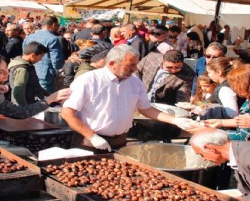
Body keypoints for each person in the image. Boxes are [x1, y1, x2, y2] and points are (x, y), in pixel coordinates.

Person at [60, 45, 200, 152]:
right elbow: (67, 113)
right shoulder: (88, 80)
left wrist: (175, 120)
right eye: (130, 65)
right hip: (88, 141)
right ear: (112, 64)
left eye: (135, 64)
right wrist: (92, 136)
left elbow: (146, 109)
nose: (135, 68)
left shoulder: (134, 82)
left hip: (119, 140)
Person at [23, 16, 65, 93]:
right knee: (48, 98)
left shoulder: (29, 37)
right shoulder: (52, 38)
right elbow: (56, 60)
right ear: (54, 25)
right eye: (57, 25)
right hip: (45, 74)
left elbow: (24, 54)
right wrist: (58, 70)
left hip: (30, 71)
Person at [8, 41, 50, 106]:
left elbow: (35, 85)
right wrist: (25, 109)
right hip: (23, 107)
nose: (41, 59)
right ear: (33, 55)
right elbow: (18, 91)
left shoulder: (28, 66)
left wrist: (49, 95)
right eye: (41, 56)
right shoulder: (22, 69)